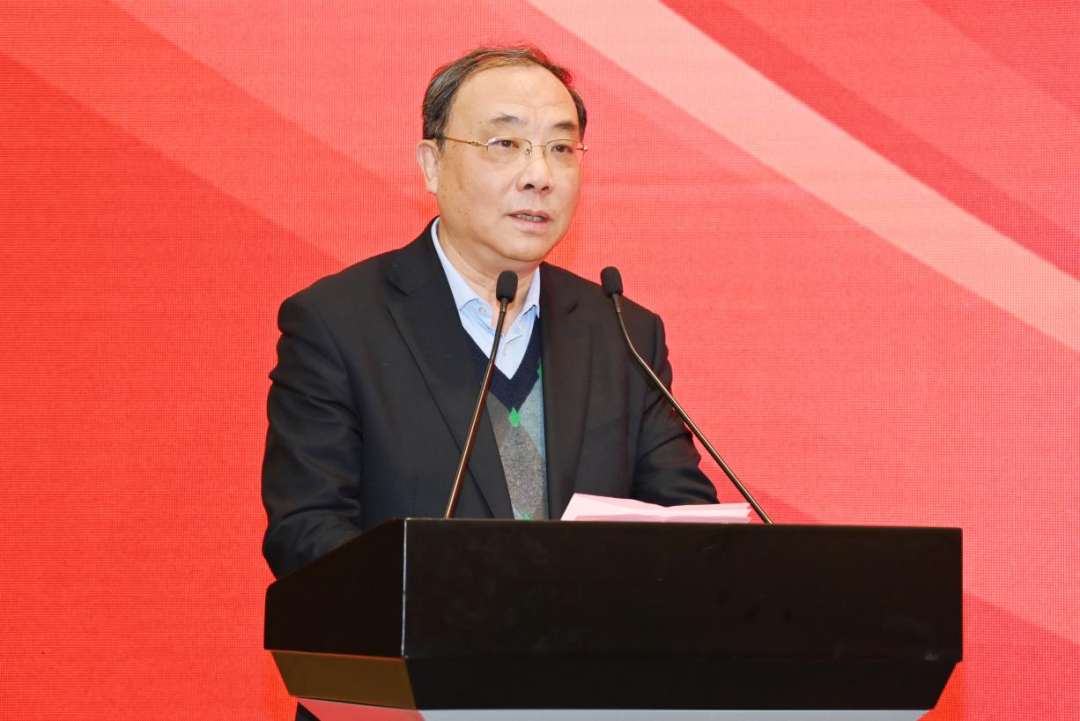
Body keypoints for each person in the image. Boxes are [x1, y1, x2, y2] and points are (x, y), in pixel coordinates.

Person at [261, 46, 718, 583]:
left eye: (561, 148)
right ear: (432, 165)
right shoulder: (338, 325)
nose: (539, 175)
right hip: (423, 636)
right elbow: (307, 532)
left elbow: (687, 530)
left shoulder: (624, 334)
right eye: (505, 144)